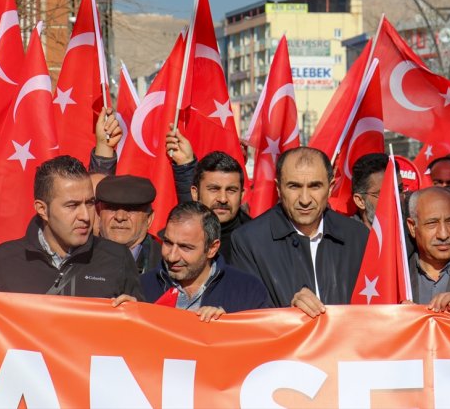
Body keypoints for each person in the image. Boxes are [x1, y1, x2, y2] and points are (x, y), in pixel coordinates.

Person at [230, 147, 369, 317]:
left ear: (330, 187)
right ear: (279, 188)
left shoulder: (358, 237)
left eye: (315, 186)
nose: (305, 199)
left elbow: (376, 307)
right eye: (294, 186)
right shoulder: (248, 241)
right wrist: (291, 315)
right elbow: (245, 316)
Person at [0, 156, 142, 300]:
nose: (86, 216)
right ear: (42, 209)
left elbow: (142, 323)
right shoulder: (1, 262)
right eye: (72, 205)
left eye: (89, 203)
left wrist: (135, 313)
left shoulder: (118, 259)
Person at [123, 202, 271, 321]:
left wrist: (229, 328)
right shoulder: (140, 287)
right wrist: (126, 317)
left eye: (185, 247)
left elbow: (263, 347)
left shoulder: (248, 291)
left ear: (212, 248)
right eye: (168, 243)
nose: (172, 256)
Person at [165, 128, 251, 263]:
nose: (223, 199)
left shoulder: (259, 241)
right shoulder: (172, 241)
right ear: (194, 192)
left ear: (242, 194)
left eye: (231, 190)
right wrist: (185, 165)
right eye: (214, 189)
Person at [95, 175, 161, 274]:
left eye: (131, 209)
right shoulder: (76, 258)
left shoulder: (166, 263)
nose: (120, 217)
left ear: (149, 219)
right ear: (99, 213)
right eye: (112, 208)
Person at [351, 153, 389, 228]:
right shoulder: (344, 238)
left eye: (399, 190)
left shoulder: (413, 232)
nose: (395, 199)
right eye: (384, 194)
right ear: (360, 201)